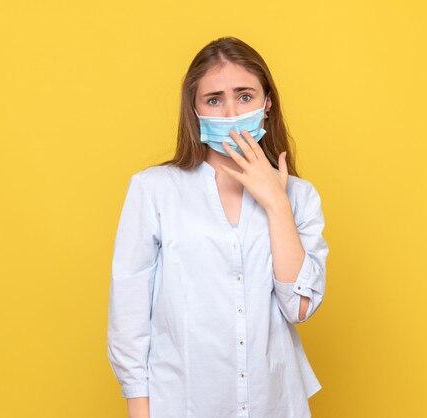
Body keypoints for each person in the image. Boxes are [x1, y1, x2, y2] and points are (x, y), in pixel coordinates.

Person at [107, 36, 329, 418]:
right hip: (183, 404)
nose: (230, 113)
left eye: (244, 96)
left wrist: (276, 202)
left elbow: (300, 307)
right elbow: (128, 312)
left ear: (267, 104)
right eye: (214, 99)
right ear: (194, 110)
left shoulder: (300, 196)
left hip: (273, 404)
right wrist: (138, 408)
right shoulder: (154, 190)